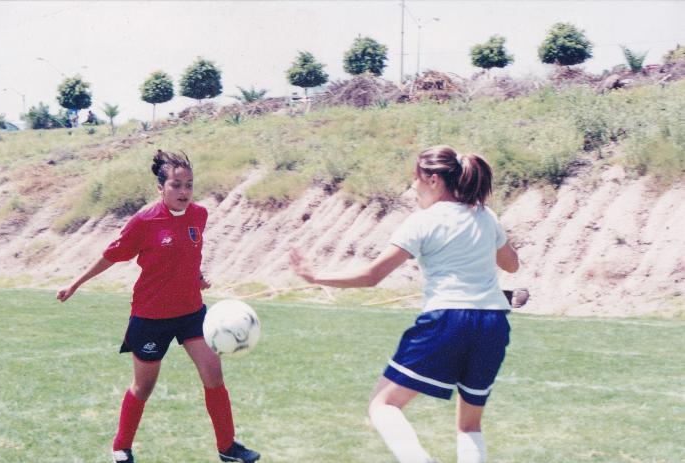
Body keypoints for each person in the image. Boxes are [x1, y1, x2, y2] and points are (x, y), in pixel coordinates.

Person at [290, 145, 519, 463]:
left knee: (382, 405)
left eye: (416, 179)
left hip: (447, 320)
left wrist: (316, 277)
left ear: (435, 180)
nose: (413, 187)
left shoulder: (422, 222)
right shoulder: (486, 216)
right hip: (493, 323)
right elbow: (512, 265)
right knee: (469, 425)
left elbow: (372, 276)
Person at [57, 150, 260, 463]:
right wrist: (76, 283)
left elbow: (188, 254)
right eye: (176, 185)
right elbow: (112, 254)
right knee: (143, 387)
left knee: (214, 376)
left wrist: (198, 276)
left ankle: (227, 448)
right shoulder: (144, 221)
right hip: (151, 317)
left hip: (192, 313)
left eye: (189, 185)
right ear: (161, 188)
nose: (184, 192)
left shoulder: (200, 215)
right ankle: (121, 446)